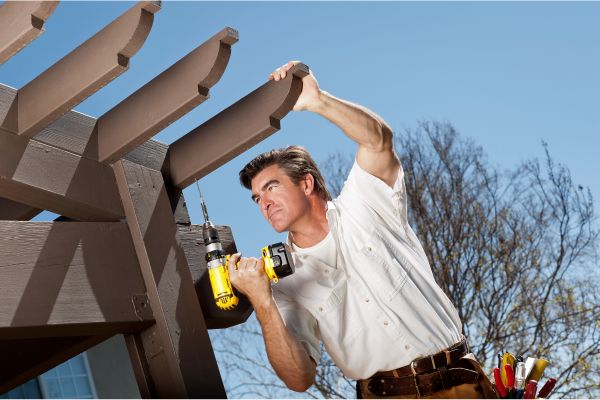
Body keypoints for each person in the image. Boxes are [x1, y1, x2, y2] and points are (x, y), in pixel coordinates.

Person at [227, 61, 496, 399]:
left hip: (462, 386)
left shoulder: (365, 203)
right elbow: (299, 378)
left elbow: (379, 141)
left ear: (306, 183)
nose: (263, 202)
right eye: (256, 198)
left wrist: (318, 101)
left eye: (272, 187)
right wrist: (263, 302)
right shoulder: (283, 282)